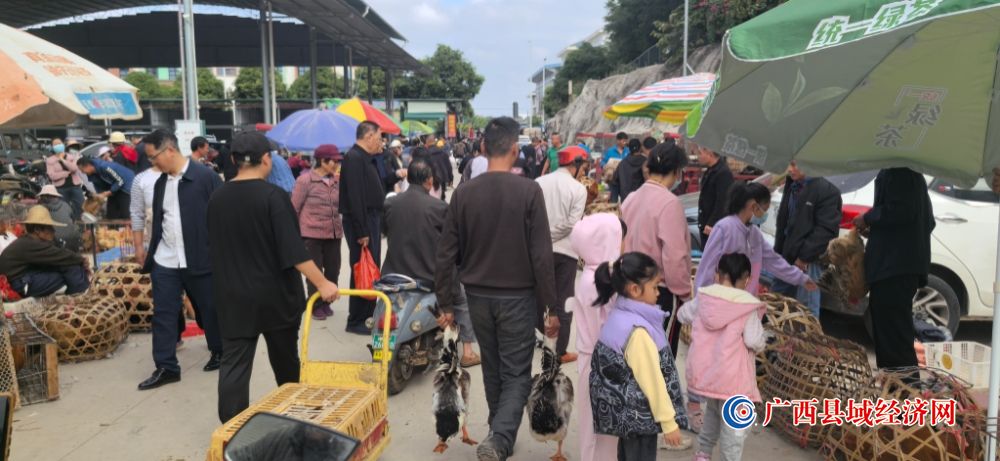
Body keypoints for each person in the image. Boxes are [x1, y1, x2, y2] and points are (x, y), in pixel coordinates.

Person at [434, 116, 558, 461]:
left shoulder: (464, 192)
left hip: (477, 296)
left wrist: (445, 302)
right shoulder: (529, 191)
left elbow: (445, 254)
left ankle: (497, 431)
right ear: (516, 150)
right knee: (516, 371)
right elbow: (542, 256)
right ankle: (500, 437)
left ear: (483, 147)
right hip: (517, 296)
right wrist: (551, 308)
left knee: (493, 366)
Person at [209, 132, 339, 423]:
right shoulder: (273, 196)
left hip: (233, 297)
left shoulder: (217, 197)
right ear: (267, 159)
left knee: (234, 366)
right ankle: (295, 416)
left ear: (234, 160)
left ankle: (232, 429)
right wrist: (322, 283)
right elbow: (293, 250)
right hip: (275, 297)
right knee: (285, 361)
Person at [136, 129, 224, 391]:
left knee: (209, 309)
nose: (152, 162)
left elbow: (223, 217)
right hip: (166, 259)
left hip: (200, 257)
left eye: (153, 157)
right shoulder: (160, 182)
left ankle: (220, 350)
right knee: (164, 313)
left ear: (170, 150)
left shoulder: (205, 177)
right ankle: (166, 367)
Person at [589, 252, 691, 460]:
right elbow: (652, 381)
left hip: (628, 419)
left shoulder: (619, 317)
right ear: (635, 289)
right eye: (654, 287)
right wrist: (669, 423)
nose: (658, 293)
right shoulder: (638, 332)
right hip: (641, 420)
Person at [383, 160, 479, 366]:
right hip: (430, 274)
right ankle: (468, 352)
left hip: (394, 274)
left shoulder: (390, 203)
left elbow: (385, 230)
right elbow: (454, 243)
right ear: (429, 181)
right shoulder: (439, 207)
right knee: (462, 301)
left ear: (408, 178)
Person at [679, 253, 766, 461]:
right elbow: (754, 340)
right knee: (734, 430)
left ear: (718, 274)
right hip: (734, 381)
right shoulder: (747, 306)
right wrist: (763, 341)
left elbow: (683, 315)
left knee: (712, 413)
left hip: (710, 376)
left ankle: (703, 454)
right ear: (746, 279)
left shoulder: (704, 298)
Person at [852, 168, 934, 369]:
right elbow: (922, 221)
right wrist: (879, 233)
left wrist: (868, 218)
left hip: (894, 269)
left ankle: (903, 387)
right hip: (896, 268)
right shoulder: (910, 173)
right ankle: (896, 385)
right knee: (892, 337)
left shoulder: (899, 171)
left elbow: (901, 210)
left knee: (894, 340)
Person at [621, 143, 693, 357]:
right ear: (676, 171)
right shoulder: (670, 203)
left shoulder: (631, 198)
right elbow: (675, 256)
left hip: (630, 287)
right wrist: (684, 292)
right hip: (659, 292)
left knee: (636, 352)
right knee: (660, 356)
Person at [567, 213, 625, 461]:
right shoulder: (599, 281)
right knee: (599, 428)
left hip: (594, 358)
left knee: (598, 427)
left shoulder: (595, 275)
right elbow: (607, 328)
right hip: (601, 360)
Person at [535, 145, 589, 362]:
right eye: (583, 167)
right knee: (564, 299)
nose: (584, 171)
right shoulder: (579, 189)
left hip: (539, 250)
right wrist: (550, 236)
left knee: (540, 295)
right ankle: (560, 350)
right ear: (575, 164)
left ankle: (542, 336)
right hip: (566, 252)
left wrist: (542, 238)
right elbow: (572, 223)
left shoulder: (538, 182)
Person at [772, 161, 843, 318]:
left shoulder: (827, 191)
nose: (790, 169)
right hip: (786, 255)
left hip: (809, 261)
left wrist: (804, 257)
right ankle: (775, 331)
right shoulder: (792, 185)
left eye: (795, 165)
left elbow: (825, 231)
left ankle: (805, 335)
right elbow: (785, 221)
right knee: (777, 302)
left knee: (805, 310)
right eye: (789, 164)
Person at [339, 121, 387, 335]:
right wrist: (362, 231)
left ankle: (367, 315)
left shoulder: (365, 158)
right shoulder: (354, 158)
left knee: (371, 267)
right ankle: (358, 319)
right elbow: (355, 197)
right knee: (362, 268)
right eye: (379, 137)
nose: (381, 141)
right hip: (362, 221)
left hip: (370, 218)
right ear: (368, 136)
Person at [291, 144, 344, 321]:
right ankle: (316, 304)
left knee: (333, 270)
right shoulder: (305, 181)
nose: (337, 165)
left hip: (333, 233)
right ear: (322, 161)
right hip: (311, 234)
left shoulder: (337, 181)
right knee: (315, 271)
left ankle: (327, 300)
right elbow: (294, 208)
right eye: (334, 161)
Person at [0, 206, 89, 297]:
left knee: (71, 266)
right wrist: (81, 259)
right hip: (19, 284)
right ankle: (80, 297)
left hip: (25, 277)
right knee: (71, 267)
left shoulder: (30, 241)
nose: (53, 231)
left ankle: (80, 294)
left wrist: (79, 260)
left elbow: (60, 254)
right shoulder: (30, 244)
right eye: (49, 227)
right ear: (37, 230)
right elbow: (61, 255)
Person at [696, 146, 734, 247]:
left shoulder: (723, 173)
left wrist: (712, 223)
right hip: (705, 222)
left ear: (710, 154)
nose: (698, 156)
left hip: (714, 226)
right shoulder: (710, 171)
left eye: (700, 153)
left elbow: (723, 201)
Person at [77, 156, 135, 220]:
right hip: (114, 188)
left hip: (126, 186)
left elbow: (120, 180)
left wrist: (109, 192)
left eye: (82, 170)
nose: (82, 172)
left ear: (88, 166)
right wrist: (99, 195)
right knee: (111, 214)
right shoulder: (91, 174)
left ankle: (130, 224)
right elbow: (98, 187)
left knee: (125, 213)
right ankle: (114, 225)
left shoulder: (104, 166)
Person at [46, 139, 85, 221]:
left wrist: (62, 160)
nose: (58, 145)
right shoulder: (50, 160)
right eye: (55, 144)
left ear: (63, 145)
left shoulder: (71, 157)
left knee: (80, 206)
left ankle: (80, 223)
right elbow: (52, 176)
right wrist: (66, 173)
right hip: (60, 188)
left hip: (75, 186)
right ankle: (67, 224)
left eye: (59, 143)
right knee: (63, 209)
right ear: (52, 147)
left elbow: (74, 168)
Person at [37, 186, 79, 251]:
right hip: (72, 239)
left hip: (53, 242)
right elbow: (73, 220)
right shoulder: (66, 205)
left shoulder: (40, 208)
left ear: (43, 196)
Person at [616, 137, 653, 202]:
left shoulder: (622, 163)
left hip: (625, 201)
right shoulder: (646, 162)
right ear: (640, 148)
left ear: (629, 149)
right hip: (641, 200)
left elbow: (615, 182)